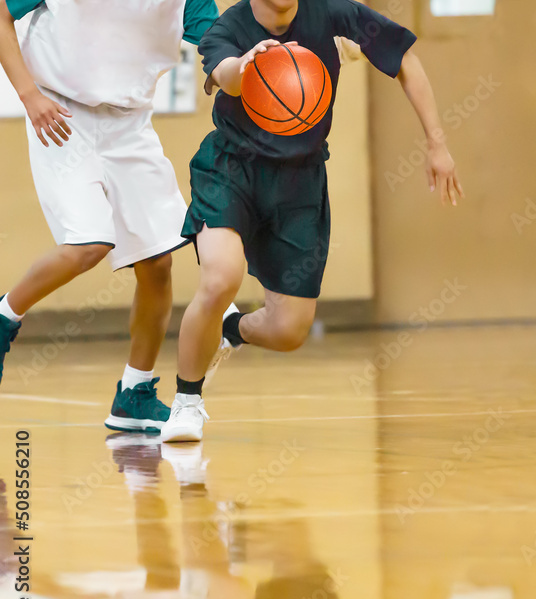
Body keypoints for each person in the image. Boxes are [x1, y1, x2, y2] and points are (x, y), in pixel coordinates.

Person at [161, 0, 463, 442]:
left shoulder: (335, 14)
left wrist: (437, 144)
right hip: (232, 169)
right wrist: (245, 69)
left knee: (288, 331)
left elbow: (406, 62)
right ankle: (187, 403)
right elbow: (223, 73)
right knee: (222, 276)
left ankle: (230, 328)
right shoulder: (226, 29)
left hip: (299, 181)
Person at [0, 0, 218, 432]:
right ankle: (4, 316)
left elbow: (218, 44)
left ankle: (133, 396)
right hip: (59, 112)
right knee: (90, 242)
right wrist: (29, 95)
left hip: (130, 121)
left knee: (157, 262)